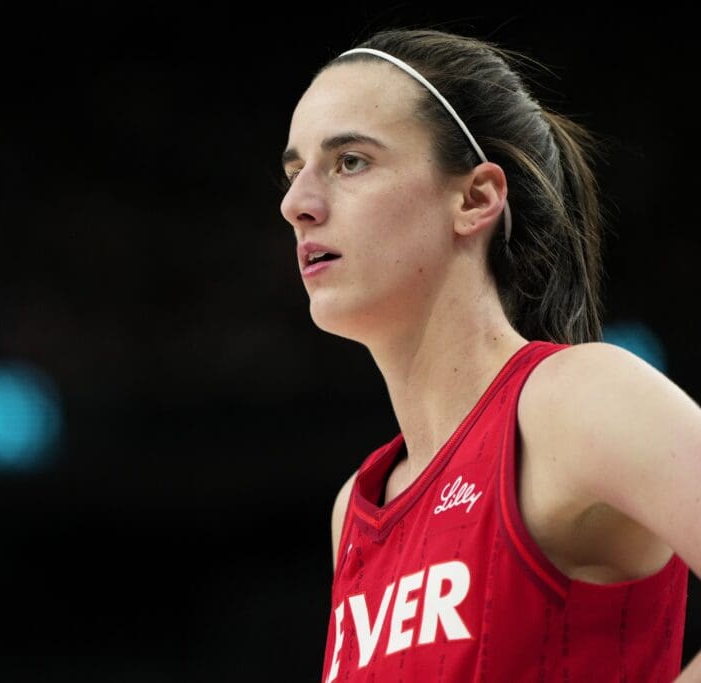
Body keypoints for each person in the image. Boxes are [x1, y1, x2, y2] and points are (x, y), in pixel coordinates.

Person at [278, 27, 700, 682]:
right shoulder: (355, 509)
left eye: (350, 161)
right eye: (294, 169)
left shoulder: (576, 399)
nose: (296, 203)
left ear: (475, 198)